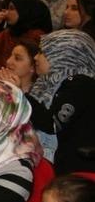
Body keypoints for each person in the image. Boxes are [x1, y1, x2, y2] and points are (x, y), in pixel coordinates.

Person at [28, 29, 95, 173]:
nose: (35, 57)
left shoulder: (81, 84)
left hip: (70, 166)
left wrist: (20, 94)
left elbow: (52, 124)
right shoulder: (47, 82)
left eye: (42, 52)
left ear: (63, 56)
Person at [0, 0, 52, 70]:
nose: (7, 13)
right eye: (7, 9)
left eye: (11, 9)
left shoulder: (37, 37)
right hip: (0, 75)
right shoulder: (8, 32)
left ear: (24, 11)